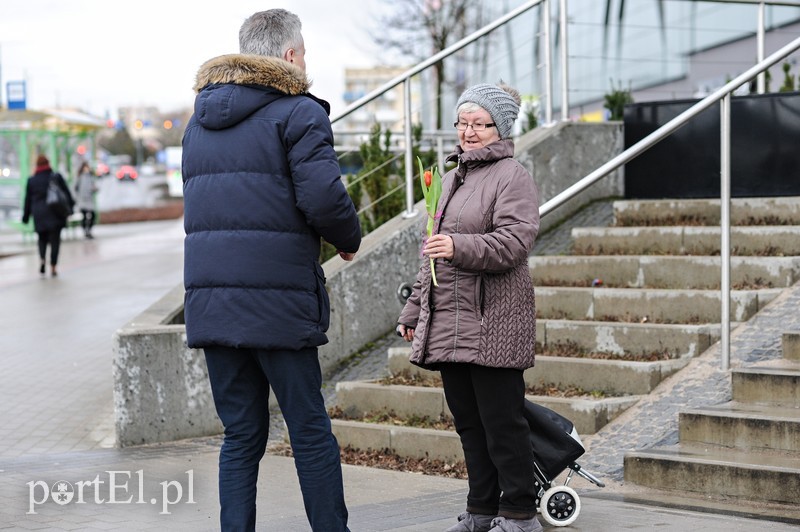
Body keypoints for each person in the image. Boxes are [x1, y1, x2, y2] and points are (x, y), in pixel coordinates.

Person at [181, 8, 361, 532]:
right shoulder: (299, 112)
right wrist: (348, 239)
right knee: (308, 430)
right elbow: (325, 197)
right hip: (280, 304)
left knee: (240, 436)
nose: (307, 62)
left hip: (214, 306)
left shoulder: (199, 120)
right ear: (288, 55)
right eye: (304, 53)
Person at [397, 83, 542, 532]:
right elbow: (433, 254)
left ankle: (519, 512)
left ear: (498, 129)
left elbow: (515, 243)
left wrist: (458, 246)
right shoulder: (451, 177)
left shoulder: (512, 175)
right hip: (449, 321)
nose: (469, 132)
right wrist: (413, 311)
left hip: (492, 320)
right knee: (470, 426)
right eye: (463, 123)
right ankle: (481, 510)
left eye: (479, 124)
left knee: (503, 426)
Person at [22, 154, 75, 277]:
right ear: (48, 163)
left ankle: (42, 260)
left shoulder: (32, 180)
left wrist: (25, 216)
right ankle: (53, 267)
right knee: (55, 241)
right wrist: (70, 209)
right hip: (55, 213)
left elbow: (27, 200)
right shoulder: (55, 177)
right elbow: (66, 194)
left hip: (39, 214)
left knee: (42, 239)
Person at [73, 161, 98, 239]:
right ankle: (85, 231)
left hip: (89, 199)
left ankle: (89, 230)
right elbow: (75, 187)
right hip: (82, 199)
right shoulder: (80, 177)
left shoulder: (91, 176)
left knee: (93, 215)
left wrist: (94, 189)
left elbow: (94, 186)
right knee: (83, 216)